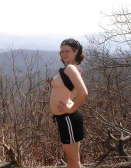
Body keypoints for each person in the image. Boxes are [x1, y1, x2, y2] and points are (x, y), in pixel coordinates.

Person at [44, 38, 88, 168]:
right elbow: (73, 89)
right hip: (65, 118)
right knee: (72, 160)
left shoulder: (70, 69)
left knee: (73, 160)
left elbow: (84, 92)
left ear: (76, 52)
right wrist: (68, 100)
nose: (64, 54)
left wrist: (71, 108)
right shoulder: (72, 69)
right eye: (62, 51)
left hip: (68, 117)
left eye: (67, 51)